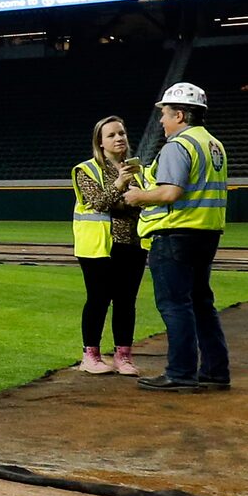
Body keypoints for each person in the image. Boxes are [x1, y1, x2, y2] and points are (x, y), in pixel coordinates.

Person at [119, 80, 231, 393]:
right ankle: (215, 371)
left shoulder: (179, 145)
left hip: (176, 234)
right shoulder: (212, 144)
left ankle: (181, 372)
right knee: (200, 302)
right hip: (206, 232)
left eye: (166, 114)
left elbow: (170, 192)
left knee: (175, 304)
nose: (162, 120)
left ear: (180, 115)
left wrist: (138, 197)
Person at [68, 115, 151, 376]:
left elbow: (147, 201)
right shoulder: (86, 170)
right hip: (99, 247)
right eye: (112, 135)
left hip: (134, 244)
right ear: (100, 143)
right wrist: (120, 184)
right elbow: (98, 203)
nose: (119, 138)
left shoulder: (142, 171)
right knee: (99, 299)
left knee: (126, 301)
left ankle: (123, 356)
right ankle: (90, 354)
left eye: (122, 133)